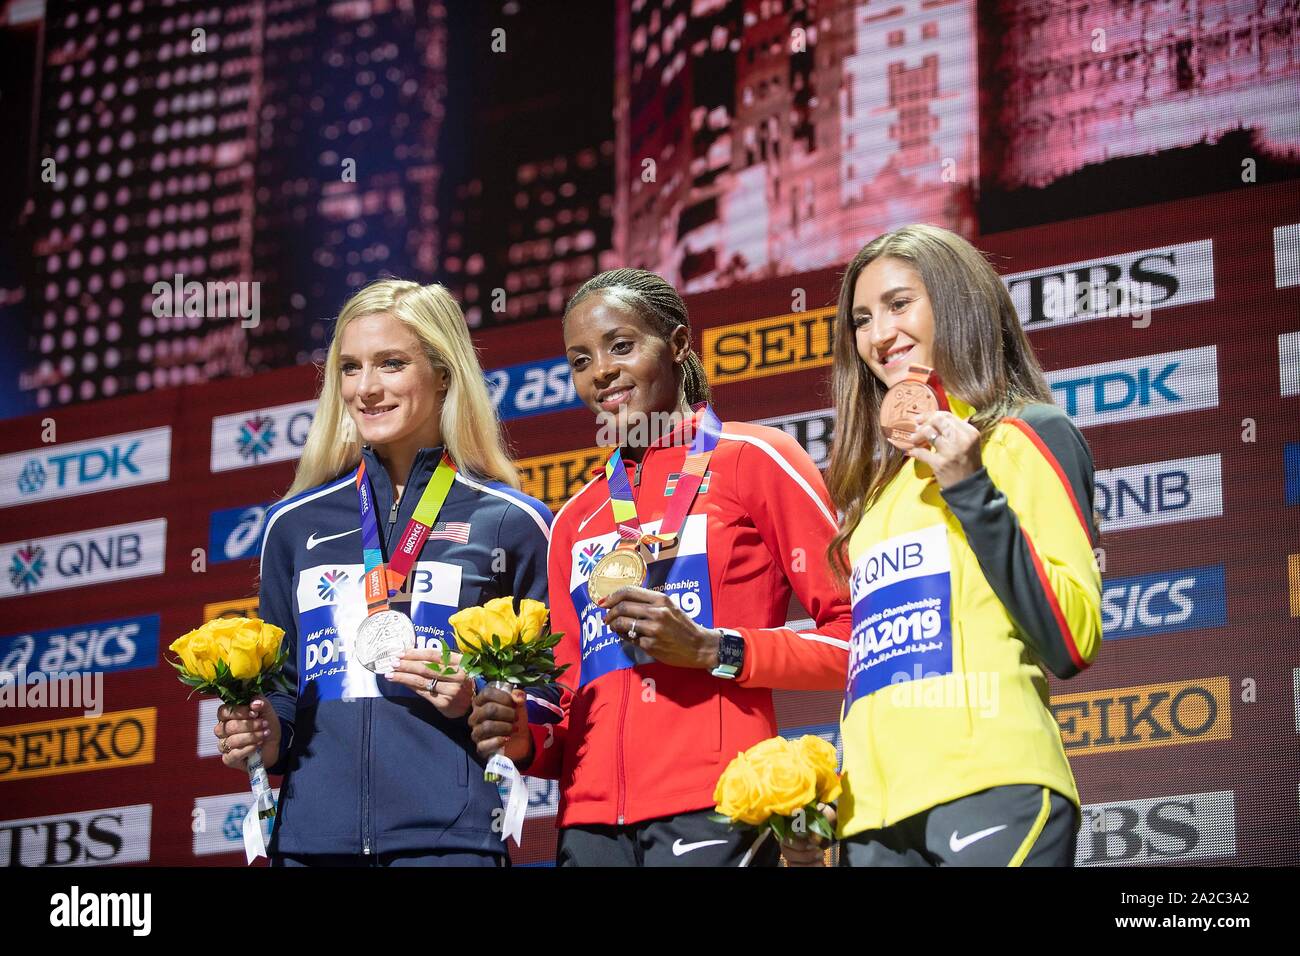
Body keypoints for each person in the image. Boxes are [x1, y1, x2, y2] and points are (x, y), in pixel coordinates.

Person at [469, 268, 853, 866]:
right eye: (580, 359)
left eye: (621, 346)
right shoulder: (576, 519)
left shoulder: (755, 460)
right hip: (589, 827)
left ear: (676, 345)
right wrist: (527, 741)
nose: (600, 371)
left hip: (720, 802)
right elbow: (574, 702)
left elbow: (858, 641)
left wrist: (715, 650)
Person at [780, 224, 1102, 867]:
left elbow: (1071, 637)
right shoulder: (874, 497)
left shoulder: (1026, 435)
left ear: (955, 303)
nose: (879, 334)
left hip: (989, 788)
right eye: (862, 320)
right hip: (869, 824)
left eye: (900, 304)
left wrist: (970, 486)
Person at [213, 279, 554, 866]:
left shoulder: (510, 521)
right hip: (310, 847)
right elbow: (286, 694)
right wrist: (263, 734)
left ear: (444, 374)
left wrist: (481, 699)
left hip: (451, 844)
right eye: (350, 368)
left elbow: (552, 698)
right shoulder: (293, 525)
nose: (366, 388)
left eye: (391, 364)